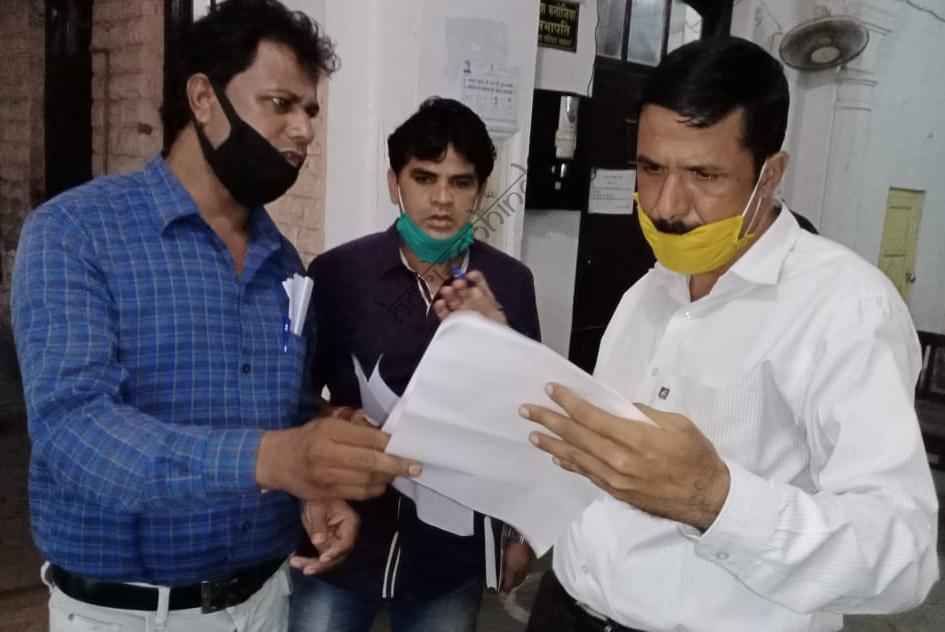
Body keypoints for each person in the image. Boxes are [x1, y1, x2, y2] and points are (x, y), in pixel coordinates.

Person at [445, 37, 939, 632]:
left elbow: (901, 557)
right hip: (568, 608)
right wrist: (506, 358)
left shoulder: (844, 307)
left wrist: (715, 499)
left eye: (704, 174)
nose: (666, 206)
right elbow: (598, 458)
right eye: (651, 168)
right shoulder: (648, 292)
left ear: (770, 174)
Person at [11, 2, 420, 631]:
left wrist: (317, 465)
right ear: (204, 98)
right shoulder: (76, 233)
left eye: (310, 111)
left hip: (265, 601)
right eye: (280, 104)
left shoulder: (282, 262)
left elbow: (274, 409)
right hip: (129, 616)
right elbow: (75, 433)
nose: (303, 131)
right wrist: (276, 459)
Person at [290, 97, 541, 632]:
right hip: (344, 529)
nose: (442, 199)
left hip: (448, 550)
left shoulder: (510, 283)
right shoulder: (339, 274)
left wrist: (518, 532)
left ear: (480, 191)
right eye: (424, 178)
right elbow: (294, 395)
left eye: (461, 182)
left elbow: (527, 417)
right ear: (394, 183)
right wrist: (337, 420)